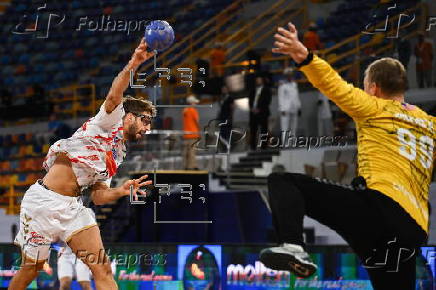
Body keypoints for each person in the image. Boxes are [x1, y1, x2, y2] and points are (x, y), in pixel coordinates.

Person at [260, 23, 435, 289]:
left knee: (283, 182)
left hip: (380, 211)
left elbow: (333, 84)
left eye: (365, 87)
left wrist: (304, 56)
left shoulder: (374, 107)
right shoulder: (430, 124)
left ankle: (293, 245)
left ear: (374, 88)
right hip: (413, 232)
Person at [10, 39, 156, 290]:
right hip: (42, 203)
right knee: (32, 268)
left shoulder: (118, 153)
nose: (148, 128)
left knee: (103, 269)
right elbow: (114, 94)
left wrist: (121, 191)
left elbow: (98, 197)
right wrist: (135, 62)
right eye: (145, 121)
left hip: (73, 209)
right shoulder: (108, 120)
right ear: (129, 116)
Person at [249, 76, 271, 150]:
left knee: (264, 130)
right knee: (253, 131)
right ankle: (253, 147)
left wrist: (259, 109)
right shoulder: (252, 90)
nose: (258, 81)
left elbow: (267, 101)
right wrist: (252, 108)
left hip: (263, 113)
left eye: (259, 80)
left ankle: (264, 146)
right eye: (257, 80)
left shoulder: (266, 90)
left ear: (262, 81)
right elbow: (250, 101)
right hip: (253, 113)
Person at [277, 68, 301, 135]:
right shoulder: (282, 85)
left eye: (291, 74)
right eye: (288, 75)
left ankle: (293, 143)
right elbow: (280, 97)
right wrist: (282, 109)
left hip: (294, 107)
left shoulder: (294, 84)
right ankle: (285, 144)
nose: (290, 76)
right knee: (285, 127)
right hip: (285, 109)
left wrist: (299, 107)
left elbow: (297, 96)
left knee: (294, 127)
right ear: (285, 76)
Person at [182, 95, 200, 170]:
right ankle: (192, 167)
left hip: (186, 135)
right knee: (192, 152)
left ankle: (185, 166)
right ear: (191, 103)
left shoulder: (184, 110)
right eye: (194, 102)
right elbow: (197, 121)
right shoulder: (193, 110)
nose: (195, 104)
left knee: (186, 152)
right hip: (193, 134)